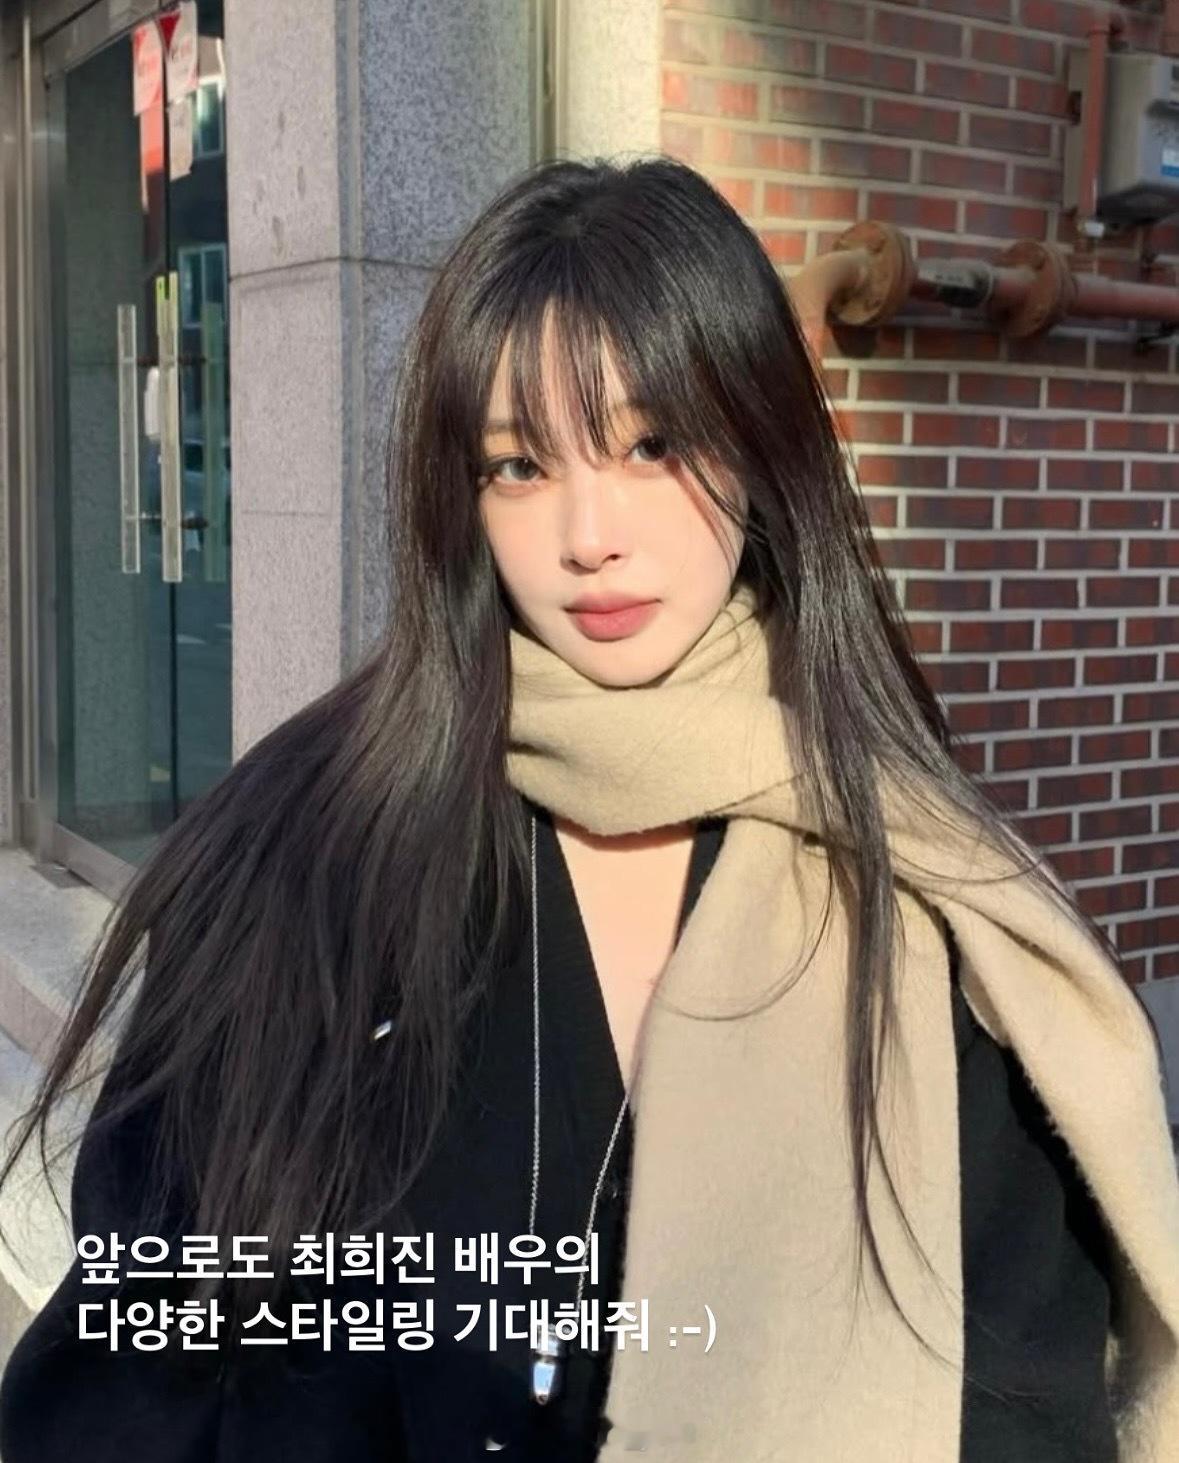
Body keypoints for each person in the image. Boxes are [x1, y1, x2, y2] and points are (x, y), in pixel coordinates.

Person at [1, 154, 1176, 1462]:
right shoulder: (300, 846)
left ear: (764, 442)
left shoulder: (932, 892)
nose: (587, 535)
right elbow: (134, 1366)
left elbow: (1025, 1402)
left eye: (654, 444)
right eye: (518, 464)